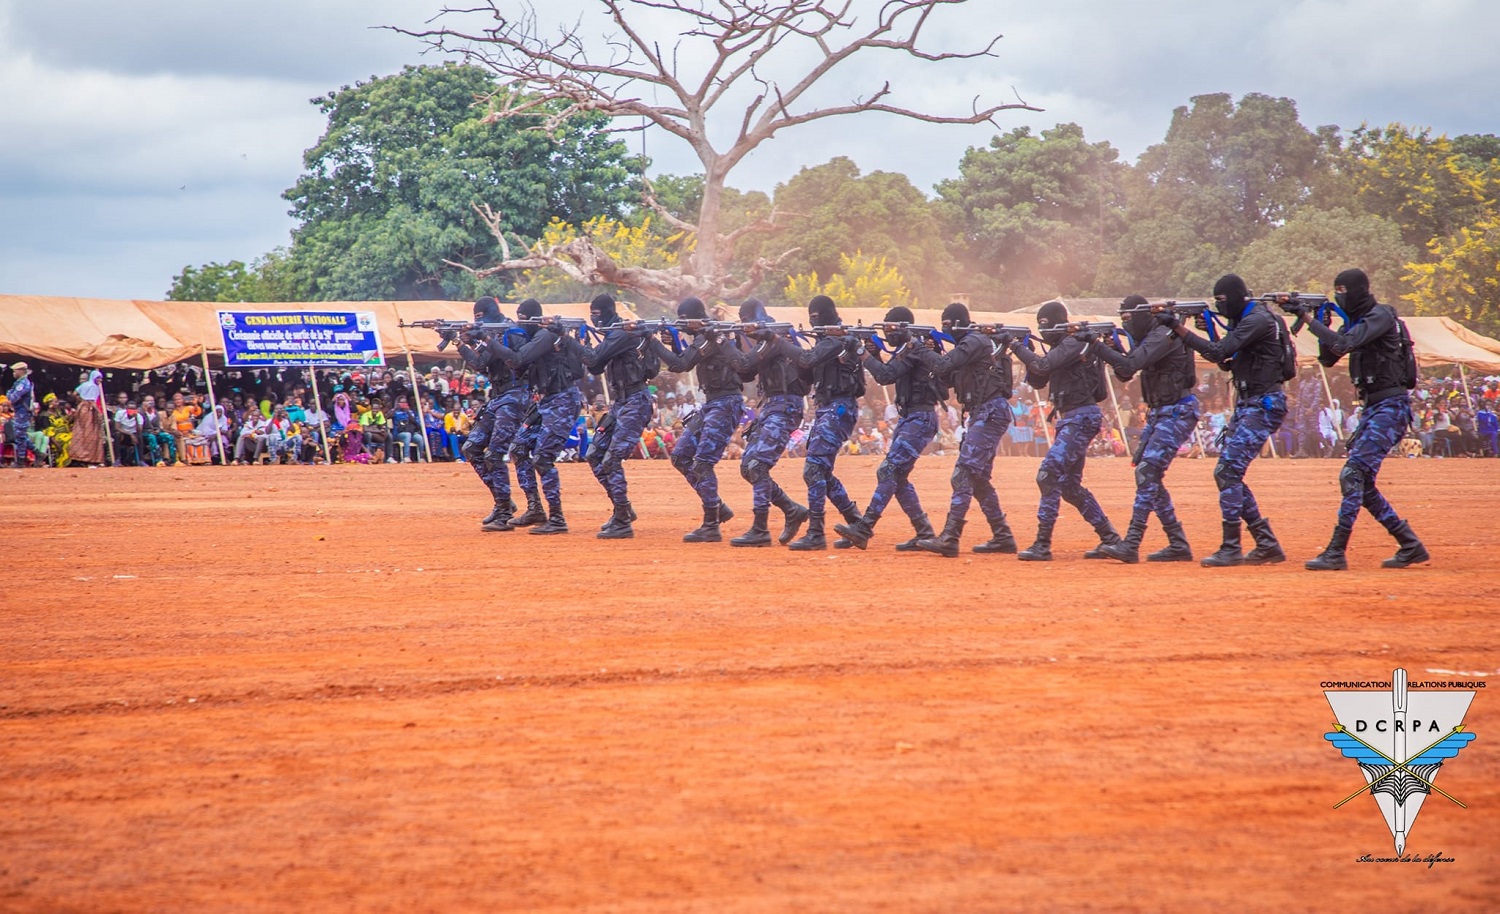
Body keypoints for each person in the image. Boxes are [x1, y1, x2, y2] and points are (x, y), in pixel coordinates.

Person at [1293, 268, 1429, 569]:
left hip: (1390, 407)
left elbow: (1344, 344)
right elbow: (1329, 357)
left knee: (1352, 475)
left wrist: (1307, 319)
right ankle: (1409, 544)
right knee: (1362, 483)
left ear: (1359, 290)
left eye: (1343, 289)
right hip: (1373, 408)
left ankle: (1336, 551)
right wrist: (1321, 324)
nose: (1339, 295)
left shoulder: (1380, 316)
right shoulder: (1356, 323)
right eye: (1335, 290)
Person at [1161, 274, 1289, 566]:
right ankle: (1266, 544)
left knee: (1228, 471)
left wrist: (1179, 328)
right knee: (1227, 473)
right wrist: (1211, 331)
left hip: (1263, 403)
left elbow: (1218, 352)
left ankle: (1232, 546)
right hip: (1249, 403)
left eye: (1222, 300)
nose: (1220, 305)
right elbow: (1225, 360)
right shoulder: (1246, 319)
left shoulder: (1256, 320)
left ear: (1236, 297)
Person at [1008, 301, 1120, 561]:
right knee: (1069, 486)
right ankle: (1110, 538)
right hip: (1071, 418)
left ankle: (1042, 544)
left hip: (1081, 417)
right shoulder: (1062, 347)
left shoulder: (1074, 342)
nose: (1043, 331)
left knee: (1047, 475)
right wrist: (1027, 350)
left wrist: (1015, 346)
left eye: (1046, 325)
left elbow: (1044, 367)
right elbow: (1038, 376)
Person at [906, 302, 1020, 557]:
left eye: (947, 324)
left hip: (990, 412)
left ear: (959, 323)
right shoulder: (966, 348)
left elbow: (945, 365)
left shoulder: (975, 341)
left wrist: (920, 347)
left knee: (963, 473)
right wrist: (930, 353)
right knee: (978, 480)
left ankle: (950, 537)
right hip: (984, 413)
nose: (945, 329)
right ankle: (1002, 536)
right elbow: (944, 376)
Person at [1092, 295, 1199, 563]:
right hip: (1161, 411)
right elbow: (1125, 373)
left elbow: (1128, 366)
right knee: (1147, 473)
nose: (1126, 324)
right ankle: (1177, 543)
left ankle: (1132, 543)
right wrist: (1111, 346)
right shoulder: (1150, 336)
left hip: (1177, 409)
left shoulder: (1164, 334)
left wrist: (1096, 346)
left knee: (1148, 471)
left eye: (1128, 318)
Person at [834, 307, 945, 551]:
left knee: (889, 471)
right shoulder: (907, 350)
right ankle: (923, 531)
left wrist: (863, 353)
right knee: (898, 476)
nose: (888, 334)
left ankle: (864, 528)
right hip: (910, 418)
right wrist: (873, 355)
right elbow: (888, 372)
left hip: (920, 418)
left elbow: (886, 375)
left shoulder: (916, 349)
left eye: (892, 329)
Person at [647, 297, 743, 542]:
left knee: (702, 463)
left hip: (725, 403)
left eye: (683, 320)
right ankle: (717, 506)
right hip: (712, 404)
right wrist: (674, 343)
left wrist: (651, 342)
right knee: (680, 456)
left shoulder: (710, 337)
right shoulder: (703, 338)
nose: (682, 325)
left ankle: (711, 524)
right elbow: (687, 359)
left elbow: (680, 365)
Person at [774, 295, 866, 551]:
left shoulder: (838, 340)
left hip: (838, 408)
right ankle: (856, 522)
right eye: (810, 316)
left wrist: (778, 342)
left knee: (813, 469)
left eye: (816, 316)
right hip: (827, 408)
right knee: (822, 471)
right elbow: (806, 370)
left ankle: (816, 532)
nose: (813, 320)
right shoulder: (826, 342)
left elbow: (806, 360)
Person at [723, 299, 811, 547]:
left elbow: (743, 364)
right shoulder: (762, 338)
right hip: (771, 406)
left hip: (785, 406)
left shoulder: (775, 335)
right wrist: (735, 341)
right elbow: (745, 373)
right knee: (747, 467)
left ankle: (760, 528)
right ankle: (791, 509)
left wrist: (722, 342)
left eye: (744, 319)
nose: (742, 323)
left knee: (756, 465)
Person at [570, 293, 659, 539]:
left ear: (608, 311)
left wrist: (569, 341)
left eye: (596, 314)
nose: (593, 318)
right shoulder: (613, 334)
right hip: (621, 403)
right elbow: (596, 366)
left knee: (611, 459)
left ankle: (622, 520)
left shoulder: (621, 333)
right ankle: (623, 509)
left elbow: (594, 358)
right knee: (594, 454)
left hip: (635, 402)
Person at [499, 303, 588, 534]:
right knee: (518, 448)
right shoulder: (535, 337)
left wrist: (491, 341)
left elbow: (520, 358)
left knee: (542, 458)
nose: (520, 322)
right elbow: (517, 366)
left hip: (563, 400)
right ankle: (535, 509)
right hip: (546, 401)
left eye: (524, 318)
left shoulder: (546, 335)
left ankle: (557, 518)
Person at [457, 297, 528, 528]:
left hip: (514, 396)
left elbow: (508, 359)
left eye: (480, 317)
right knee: (471, 448)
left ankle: (504, 512)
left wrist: (481, 338)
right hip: (497, 398)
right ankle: (502, 501)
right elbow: (480, 363)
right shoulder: (490, 333)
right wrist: (460, 343)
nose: (478, 321)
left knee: (494, 454)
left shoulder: (509, 330)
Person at [6, 362, 35, 467]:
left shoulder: (23, 383)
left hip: (23, 412)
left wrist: (9, 394)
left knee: (20, 437)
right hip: (20, 412)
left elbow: (12, 398)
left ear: (21, 371)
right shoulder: (19, 383)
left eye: (15, 371)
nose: (13, 373)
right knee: (20, 435)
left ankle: (21, 461)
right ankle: (37, 453)